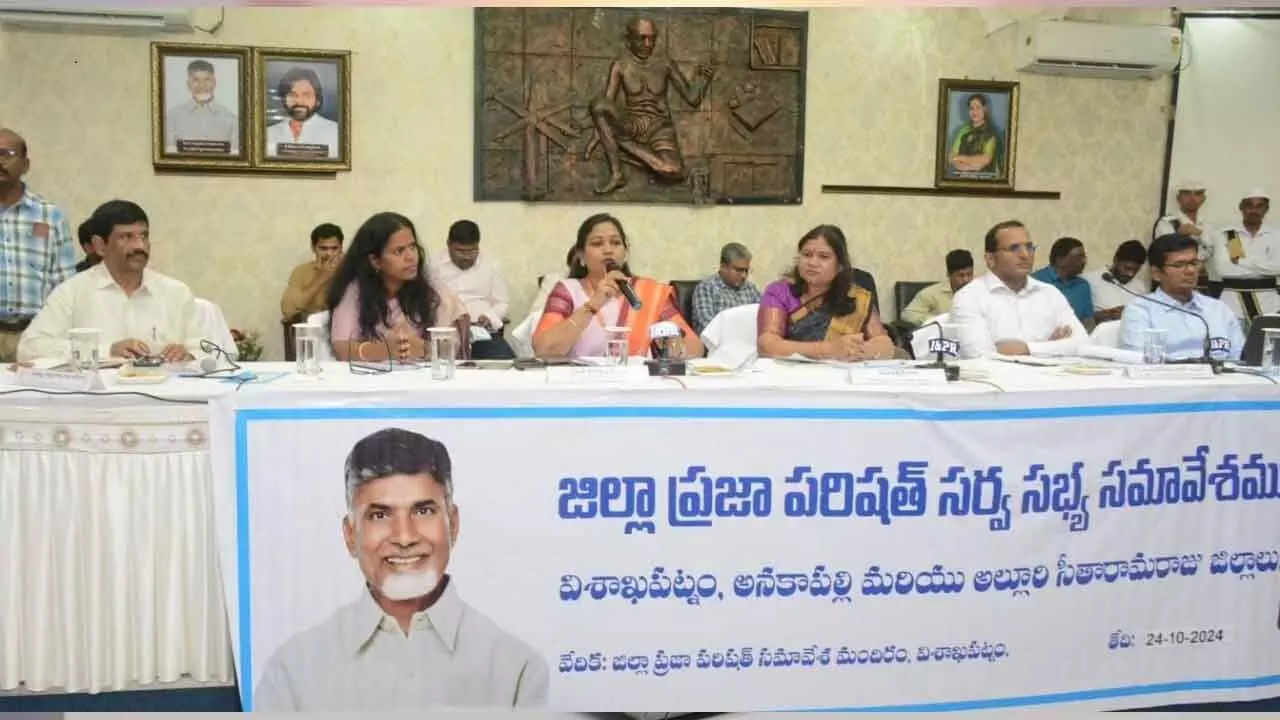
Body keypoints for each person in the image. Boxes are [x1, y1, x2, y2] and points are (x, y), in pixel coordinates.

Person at [254, 428, 549, 710]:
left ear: (453, 524)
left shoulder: (517, 671)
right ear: (350, 536)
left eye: (423, 511)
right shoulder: (291, 674)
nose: (405, 537)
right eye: (380, 514)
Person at [17, 200, 207, 363]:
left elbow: (212, 351)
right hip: (93, 401)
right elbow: (30, 348)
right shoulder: (73, 291)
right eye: (126, 237)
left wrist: (189, 354)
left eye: (144, 236)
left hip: (166, 398)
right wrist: (106, 351)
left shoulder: (176, 292)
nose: (139, 246)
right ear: (100, 245)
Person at [533, 213, 702, 359]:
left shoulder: (648, 293)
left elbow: (695, 347)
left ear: (625, 253)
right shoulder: (567, 290)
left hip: (634, 388)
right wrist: (594, 303)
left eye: (615, 243)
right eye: (597, 243)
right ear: (581, 255)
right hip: (579, 387)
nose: (608, 250)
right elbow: (544, 349)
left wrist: (672, 344)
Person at [586, 17, 714, 194]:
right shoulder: (620, 66)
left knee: (673, 171)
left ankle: (625, 147)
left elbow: (692, 99)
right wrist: (597, 133)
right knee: (598, 104)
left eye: (652, 38)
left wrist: (704, 80)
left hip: (660, 129)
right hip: (632, 124)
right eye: (642, 38)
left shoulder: (665, 64)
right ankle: (617, 174)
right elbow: (608, 103)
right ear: (628, 40)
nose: (648, 44)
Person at [326, 213, 468, 363]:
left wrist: (422, 348)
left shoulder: (431, 289)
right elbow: (341, 349)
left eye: (412, 247)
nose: (411, 257)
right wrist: (386, 350)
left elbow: (452, 348)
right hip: (371, 380)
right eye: (399, 251)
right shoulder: (355, 291)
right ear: (375, 261)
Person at [756, 224, 896, 362]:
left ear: (840, 266)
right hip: (792, 375)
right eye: (806, 255)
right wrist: (828, 350)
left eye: (823, 256)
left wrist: (861, 351)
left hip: (844, 376)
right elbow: (767, 345)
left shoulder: (856, 297)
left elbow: (885, 345)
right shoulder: (779, 291)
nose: (812, 262)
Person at [951, 220, 1087, 359]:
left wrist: (1029, 349)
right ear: (990, 259)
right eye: (1014, 248)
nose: (1025, 255)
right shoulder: (969, 297)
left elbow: (1083, 343)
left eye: (1029, 247)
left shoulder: (1049, 293)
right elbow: (980, 356)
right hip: (997, 380)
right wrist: (1053, 348)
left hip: (1054, 378)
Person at [0, 128, 76, 363]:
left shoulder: (50, 216)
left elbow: (64, 286)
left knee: (32, 399)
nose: (0, 161)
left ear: (25, 164)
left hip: (34, 336)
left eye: (7, 153)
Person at [1119, 234, 1244, 361]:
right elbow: (1137, 362)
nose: (1190, 270)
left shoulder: (1218, 309)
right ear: (1156, 273)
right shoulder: (1141, 310)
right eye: (1179, 265)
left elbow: (1241, 360)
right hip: (1166, 379)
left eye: (1194, 263)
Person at [432, 220, 514, 360]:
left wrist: (490, 316)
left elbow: (502, 302)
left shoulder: (491, 264)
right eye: (460, 251)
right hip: (445, 332)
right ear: (448, 245)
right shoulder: (433, 265)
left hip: (480, 331)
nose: (466, 257)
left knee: (505, 360)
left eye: (472, 251)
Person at [1211, 188, 1279, 321]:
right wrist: (1265, 268)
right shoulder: (1229, 235)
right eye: (1249, 206)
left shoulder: (1276, 236)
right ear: (1241, 208)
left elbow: (1278, 267)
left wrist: (1242, 263)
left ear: (1266, 209)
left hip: (1269, 303)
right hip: (1233, 304)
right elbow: (1224, 270)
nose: (1254, 211)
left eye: (1259, 206)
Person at [165, 59, 239, 154]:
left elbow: (234, 157)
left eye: (207, 79)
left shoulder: (231, 119)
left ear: (214, 83)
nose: (202, 85)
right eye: (196, 80)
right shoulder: (173, 117)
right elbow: (169, 155)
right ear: (188, 84)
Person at [266, 67, 340, 159]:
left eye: (306, 95)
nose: (299, 101)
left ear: (317, 100)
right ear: (283, 99)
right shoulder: (268, 134)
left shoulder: (336, 132)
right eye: (292, 95)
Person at [690, 242, 762, 333]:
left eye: (746, 270)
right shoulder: (706, 288)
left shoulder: (750, 288)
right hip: (717, 343)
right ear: (723, 266)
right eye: (738, 270)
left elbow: (764, 317)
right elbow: (708, 325)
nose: (744, 276)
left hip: (748, 340)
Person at [281, 223, 344, 321]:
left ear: (341, 248)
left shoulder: (351, 270)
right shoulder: (301, 271)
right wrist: (321, 278)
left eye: (334, 248)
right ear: (313, 248)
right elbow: (288, 310)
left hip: (344, 330)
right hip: (311, 331)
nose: (329, 254)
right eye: (323, 248)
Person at [899, 249, 974, 326]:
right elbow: (908, 314)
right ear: (948, 274)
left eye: (969, 274)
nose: (966, 280)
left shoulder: (977, 292)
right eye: (961, 275)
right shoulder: (932, 293)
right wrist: (937, 321)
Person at [1031, 237, 1094, 328]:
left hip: (1077, 339)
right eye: (1079, 257)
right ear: (1060, 260)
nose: (1084, 261)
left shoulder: (1083, 285)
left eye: (1084, 257)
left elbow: (1088, 321)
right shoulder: (1036, 281)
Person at [1083, 239, 1147, 324]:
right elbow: (1080, 318)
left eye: (1136, 270)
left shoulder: (1140, 287)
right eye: (1127, 268)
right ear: (1115, 260)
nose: (1130, 274)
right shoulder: (1089, 280)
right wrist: (1108, 315)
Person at [947, 94, 1000, 176]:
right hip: (961, 177)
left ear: (985, 109)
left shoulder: (991, 133)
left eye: (978, 108)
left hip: (985, 179)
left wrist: (960, 158)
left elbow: (985, 160)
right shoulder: (963, 131)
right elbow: (951, 157)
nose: (974, 112)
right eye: (971, 108)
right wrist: (971, 167)